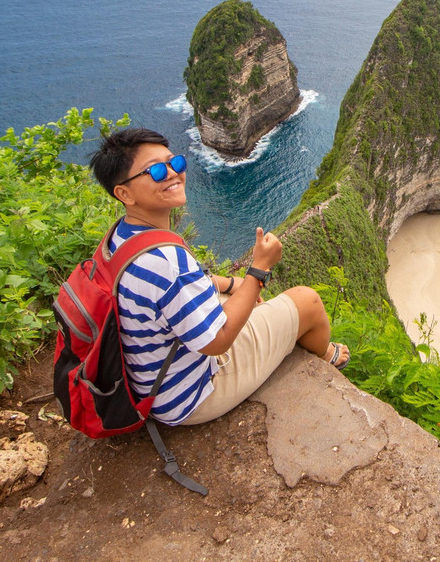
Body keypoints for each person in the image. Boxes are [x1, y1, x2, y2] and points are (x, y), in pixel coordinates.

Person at [88, 126, 349, 426]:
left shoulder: (123, 237)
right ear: (124, 193)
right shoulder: (167, 262)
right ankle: (329, 356)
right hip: (190, 396)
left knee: (245, 296)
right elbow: (217, 342)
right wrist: (258, 271)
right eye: (156, 171)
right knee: (308, 301)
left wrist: (229, 283)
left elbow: (174, 293)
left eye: (175, 163)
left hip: (149, 378)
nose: (172, 173)